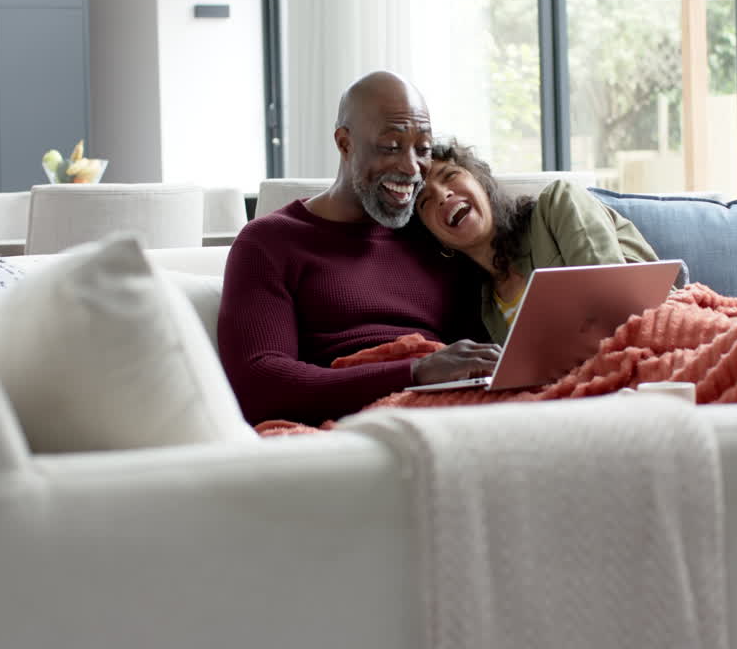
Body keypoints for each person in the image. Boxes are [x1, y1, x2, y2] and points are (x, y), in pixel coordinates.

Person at [217, 72, 500, 426]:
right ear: (345, 143)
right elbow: (258, 384)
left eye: (423, 149)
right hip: (365, 424)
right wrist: (415, 372)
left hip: (455, 413)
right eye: (391, 147)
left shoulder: (432, 236)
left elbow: (477, 356)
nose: (412, 168)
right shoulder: (268, 244)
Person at [415, 140, 659, 344]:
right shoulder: (486, 309)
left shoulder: (559, 203)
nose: (442, 194)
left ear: (482, 183)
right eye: (425, 201)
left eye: (449, 175)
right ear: (438, 239)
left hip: (651, 337)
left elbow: (615, 305)